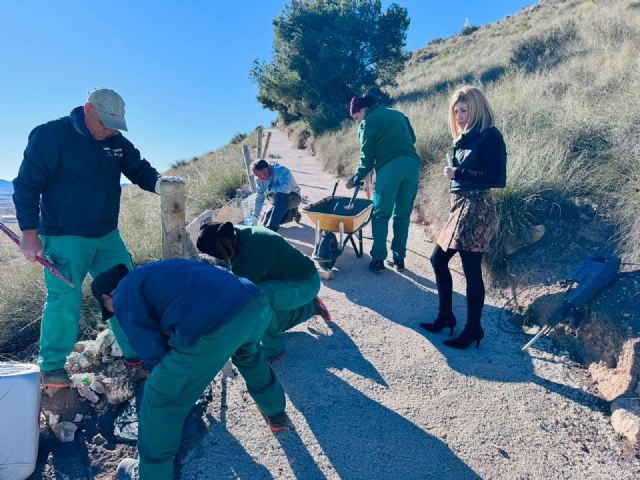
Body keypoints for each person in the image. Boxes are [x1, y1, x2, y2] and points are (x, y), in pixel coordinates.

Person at [12, 88, 177, 388]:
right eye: (104, 122)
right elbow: (26, 184)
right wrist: (29, 233)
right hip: (64, 236)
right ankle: (51, 369)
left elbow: (138, 168)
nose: (109, 129)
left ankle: (137, 354)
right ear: (88, 109)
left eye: (115, 124)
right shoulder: (51, 135)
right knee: (65, 298)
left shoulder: (115, 141)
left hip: (106, 235)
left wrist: (162, 184)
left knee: (126, 291)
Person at [91, 259, 287, 480]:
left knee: (160, 396)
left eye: (110, 310)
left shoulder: (123, 294)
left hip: (216, 325)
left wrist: (167, 379)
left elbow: (151, 349)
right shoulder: (155, 273)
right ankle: (276, 414)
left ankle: (151, 474)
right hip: (253, 302)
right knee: (249, 355)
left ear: (107, 298)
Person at [419, 85, 507, 350]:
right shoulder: (464, 139)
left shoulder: (490, 136)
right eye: (456, 111)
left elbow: (496, 178)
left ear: (477, 108)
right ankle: (446, 316)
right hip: (459, 208)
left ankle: (473, 329)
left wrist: (458, 174)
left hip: (477, 209)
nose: (459, 116)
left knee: (471, 271)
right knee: (438, 259)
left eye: (465, 110)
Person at [197, 221, 331, 360]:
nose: (215, 259)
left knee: (258, 302)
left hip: (306, 284)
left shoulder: (251, 253)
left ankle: (274, 350)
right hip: (286, 279)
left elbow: (238, 297)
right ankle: (310, 307)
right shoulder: (232, 234)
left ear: (221, 248)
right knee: (266, 323)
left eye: (215, 256)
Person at [346, 94, 420, 274]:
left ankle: (378, 259)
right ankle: (398, 259)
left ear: (362, 110)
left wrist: (358, 176)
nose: (357, 122)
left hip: (390, 167)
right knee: (402, 215)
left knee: (380, 213)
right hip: (412, 165)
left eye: (356, 117)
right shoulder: (398, 114)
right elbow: (412, 138)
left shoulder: (368, 122)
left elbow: (367, 157)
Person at [252, 159, 302, 232]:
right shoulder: (260, 180)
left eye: (259, 175)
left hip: (294, 197)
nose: (258, 178)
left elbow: (286, 189)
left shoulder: (282, 170)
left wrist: (271, 189)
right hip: (277, 203)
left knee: (280, 196)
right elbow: (259, 198)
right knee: (266, 221)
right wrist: (255, 216)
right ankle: (293, 212)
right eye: (256, 176)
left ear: (265, 171)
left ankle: (272, 229)